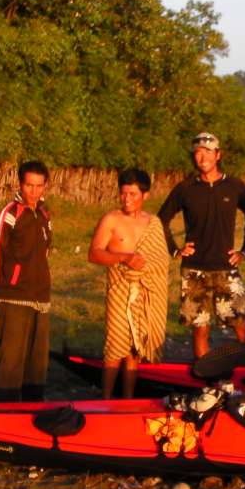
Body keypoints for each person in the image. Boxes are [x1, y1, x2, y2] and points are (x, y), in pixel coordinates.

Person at [157, 132, 245, 358]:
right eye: (198, 153)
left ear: (218, 155)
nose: (202, 158)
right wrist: (175, 249)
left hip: (226, 267)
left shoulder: (235, 186)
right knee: (200, 330)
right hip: (194, 270)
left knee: (240, 324)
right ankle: (205, 377)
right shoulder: (185, 189)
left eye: (208, 152)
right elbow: (160, 220)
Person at [88, 169, 169, 398]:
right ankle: (105, 398)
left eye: (133, 194)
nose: (127, 199)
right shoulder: (111, 219)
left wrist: (146, 268)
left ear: (145, 195)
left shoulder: (153, 223)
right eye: (123, 194)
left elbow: (161, 261)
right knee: (115, 347)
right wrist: (124, 258)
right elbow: (94, 254)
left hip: (145, 294)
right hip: (119, 291)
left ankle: (128, 400)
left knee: (135, 350)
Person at [0, 161, 52, 402]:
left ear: (45, 186)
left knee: (37, 359)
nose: (33, 191)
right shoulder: (9, 213)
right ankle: (6, 411)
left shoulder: (44, 214)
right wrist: (4, 285)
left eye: (38, 186)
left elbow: (45, 251)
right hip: (13, 295)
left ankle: (34, 407)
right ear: (20, 184)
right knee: (11, 359)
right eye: (28, 185)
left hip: (41, 297)